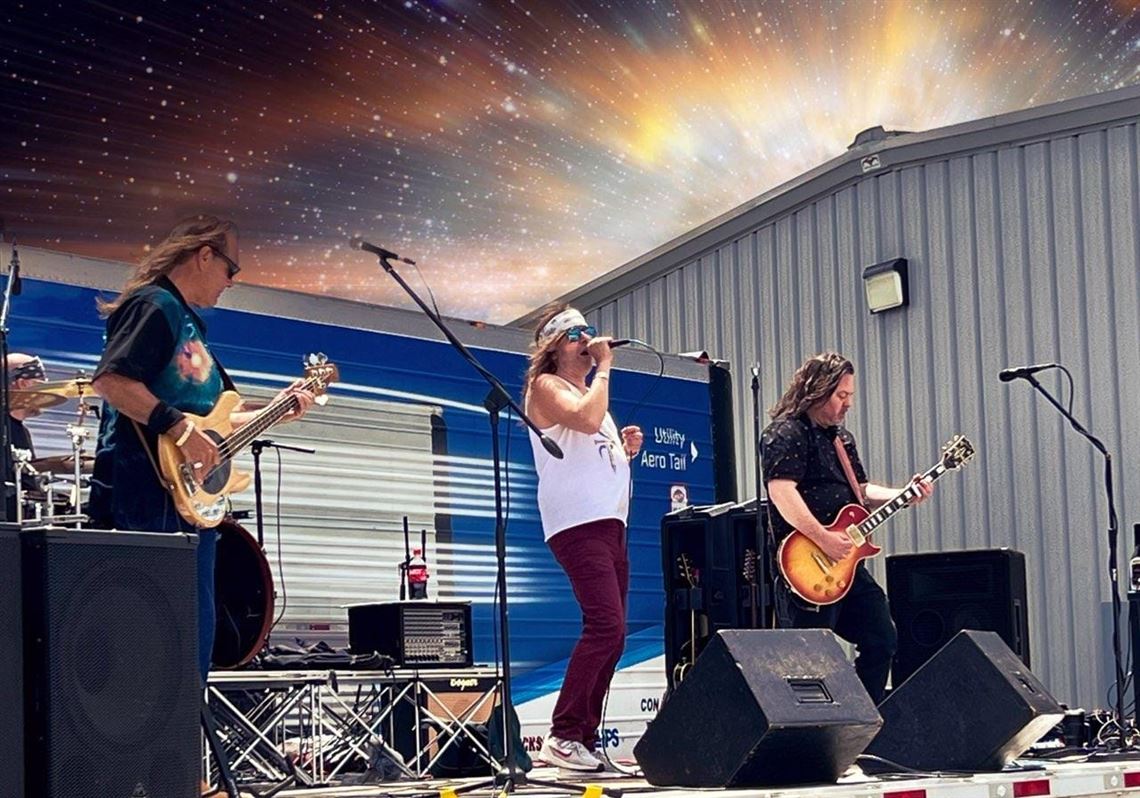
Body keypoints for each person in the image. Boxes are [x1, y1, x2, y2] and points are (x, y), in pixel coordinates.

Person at [88, 214, 314, 687]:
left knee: (188, 643)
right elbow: (112, 381)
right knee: (148, 642)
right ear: (204, 255)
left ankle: (183, 729)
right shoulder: (155, 305)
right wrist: (178, 428)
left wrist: (278, 410)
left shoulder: (191, 327)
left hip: (187, 506)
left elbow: (217, 421)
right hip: (146, 498)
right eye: (232, 269)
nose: (233, 281)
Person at [760, 352, 932, 704]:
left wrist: (903, 494)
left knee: (881, 638)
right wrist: (823, 538)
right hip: (807, 563)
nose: (848, 403)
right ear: (817, 390)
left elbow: (861, 491)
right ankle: (815, 726)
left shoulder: (841, 439)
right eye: (841, 395)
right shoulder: (785, 432)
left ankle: (859, 717)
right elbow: (781, 493)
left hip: (847, 565)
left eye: (850, 395)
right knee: (811, 659)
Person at [523, 304, 643, 772]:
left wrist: (625, 452)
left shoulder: (592, 394)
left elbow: (592, 447)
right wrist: (606, 367)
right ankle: (564, 733)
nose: (589, 341)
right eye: (577, 335)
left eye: (589, 332)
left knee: (615, 635)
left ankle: (584, 737)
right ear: (555, 346)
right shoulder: (546, 385)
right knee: (605, 625)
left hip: (610, 523)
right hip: (578, 522)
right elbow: (586, 420)